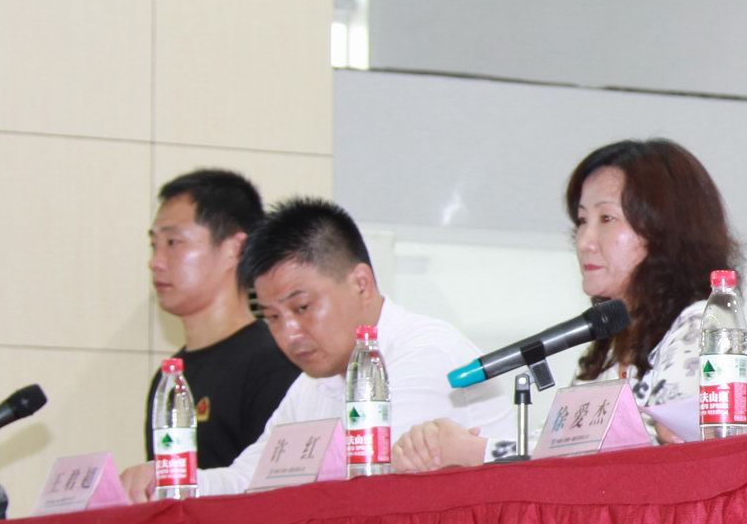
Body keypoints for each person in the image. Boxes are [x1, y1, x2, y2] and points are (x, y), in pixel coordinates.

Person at [414, 138, 740, 458]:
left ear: (665, 231)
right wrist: (446, 449)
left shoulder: (702, 325)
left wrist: (479, 452)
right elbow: (561, 448)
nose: (584, 241)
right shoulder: (608, 349)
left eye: (607, 219)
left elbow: (644, 452)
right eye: (582, 221)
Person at [193, 197, 515, 492]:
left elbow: (371, 490)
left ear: (361, 284)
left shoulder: (426, 354)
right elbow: (249, 480)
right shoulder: (311, 385)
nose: (289, 333)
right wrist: (176, 482)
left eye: (302, 307)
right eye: (272, 317)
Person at [143, 168, 299, 471]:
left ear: (234, 249)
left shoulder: (274, 362)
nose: (155, 262)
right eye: (154, 245)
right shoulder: (169, 378)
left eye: (173, 242)